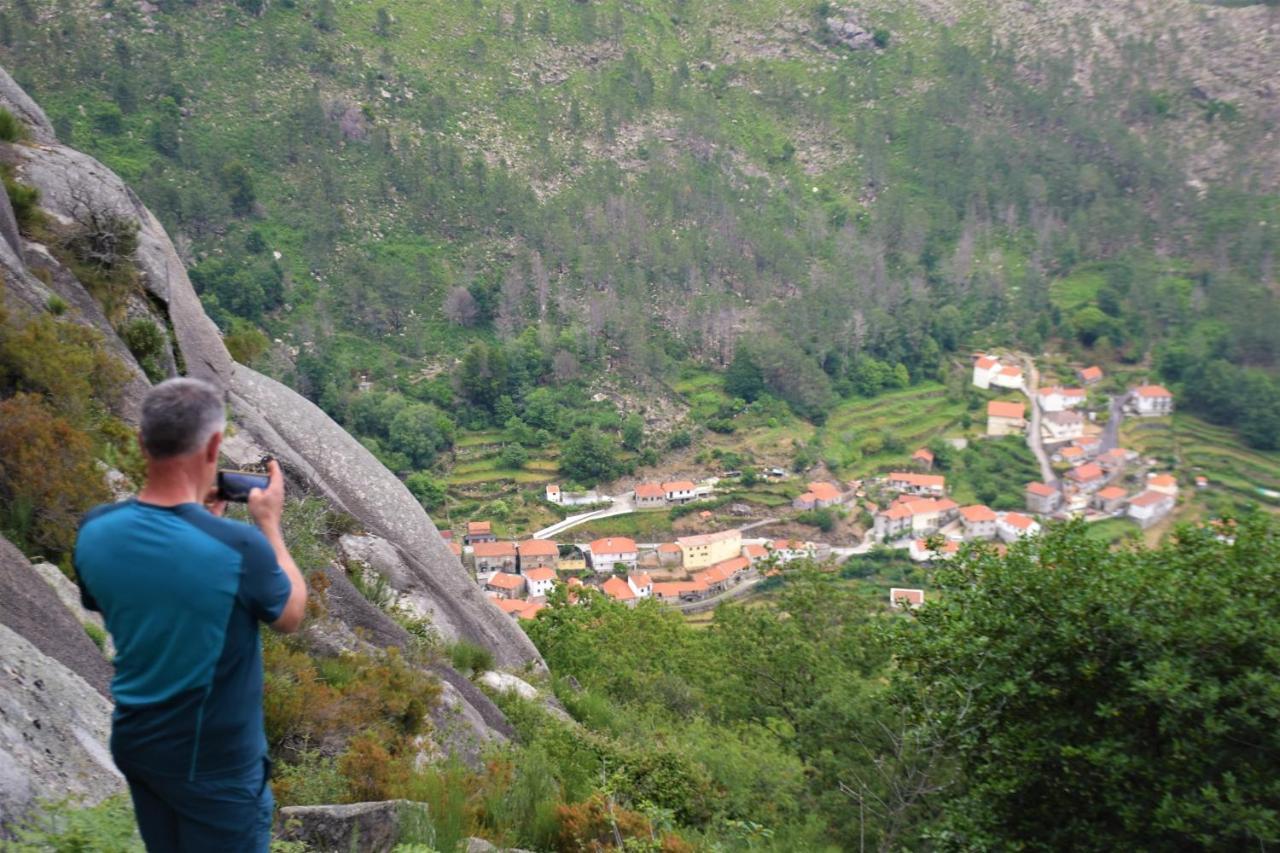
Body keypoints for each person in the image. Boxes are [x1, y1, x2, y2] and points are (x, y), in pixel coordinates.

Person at [74, 377, 307, 852]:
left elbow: (143, 590)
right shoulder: (238, 548)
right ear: (214, 446)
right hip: (215, 762)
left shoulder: (94, 531)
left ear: (143, 442)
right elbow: (290, 613)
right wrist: (269, 527)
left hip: (139, 744)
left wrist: (203, 530)